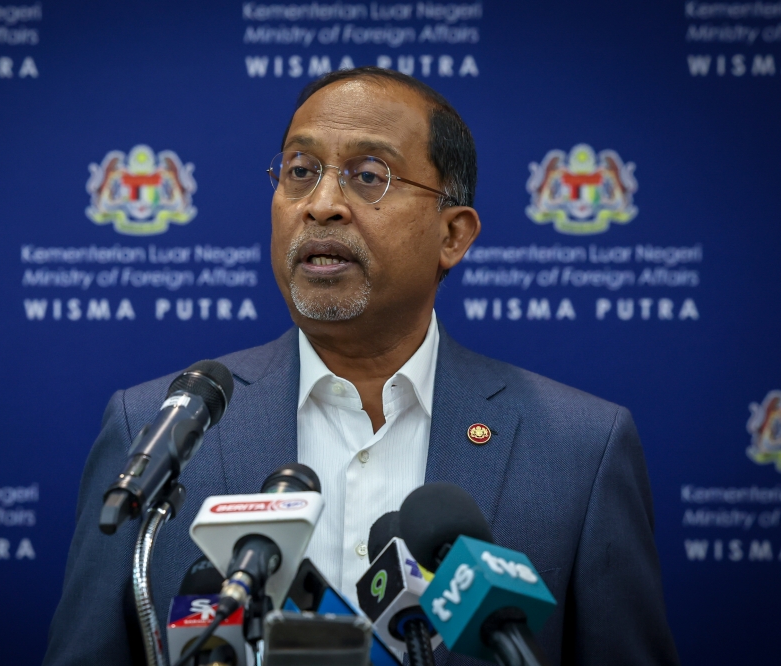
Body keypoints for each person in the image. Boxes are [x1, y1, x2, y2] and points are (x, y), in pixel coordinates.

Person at [43, 67, 679, 665]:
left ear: (453, 234)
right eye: (299, 171)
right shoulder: (157, 430)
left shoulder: (579, 446)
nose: (321, 204)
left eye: (369, 175)